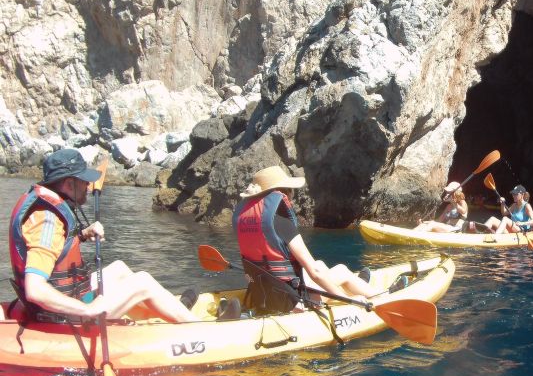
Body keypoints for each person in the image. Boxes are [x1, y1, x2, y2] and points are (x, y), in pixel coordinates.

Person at [8, 148, 199, 324]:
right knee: (143, 281)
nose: (89, 186)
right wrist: (87, 309)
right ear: (68, 184)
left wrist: (82, 235)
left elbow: (55, 250)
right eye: (83, 180)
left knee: (119, 269)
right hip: (59, 314)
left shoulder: (45, 210)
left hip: (68, 296)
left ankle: (167, 314)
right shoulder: (47, 222)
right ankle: (197, 328)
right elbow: (35, 290)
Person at [233, 165, 387, 314]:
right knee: (341, 270)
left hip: (264, 292)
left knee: (320, 263)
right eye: (290, 191)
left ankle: (357, 285)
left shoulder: (245, 220)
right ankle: (381, 297)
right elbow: (315, 272)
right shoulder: (281, 222)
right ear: (284, 192)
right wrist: (345, 300)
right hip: (292, 300)